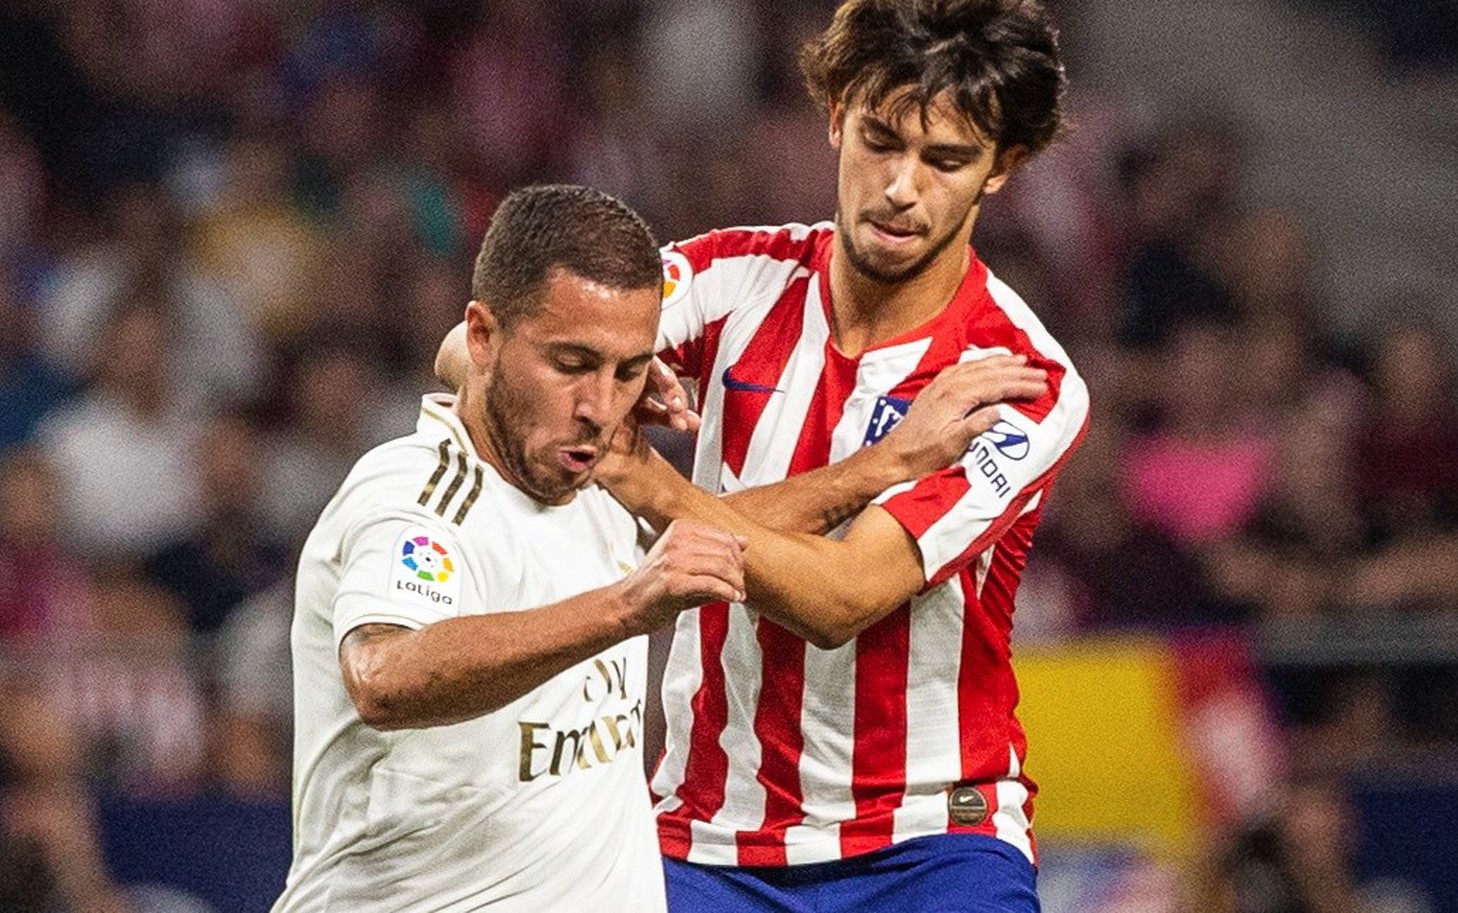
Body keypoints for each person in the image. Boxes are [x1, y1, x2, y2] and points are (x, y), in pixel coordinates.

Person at [437, 3, 1086, 909]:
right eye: (880, 139)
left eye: (945, 161)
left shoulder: (1017, 377)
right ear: (834, 117)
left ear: (1001, 170)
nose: (901, 187)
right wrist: (596, 377)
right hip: (705, 837)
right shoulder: (734, 275)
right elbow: (475, 350)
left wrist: (636, 473)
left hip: (931, 841)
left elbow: (840, 598)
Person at [273, 184, 753, 913]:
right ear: (483, 337)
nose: (599, 405)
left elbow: (739, 533)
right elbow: (382, 674)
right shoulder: (418, 494)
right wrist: (625, 606)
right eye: (571, 363)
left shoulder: (596, 485)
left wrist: (891, 466)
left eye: (627, 371)